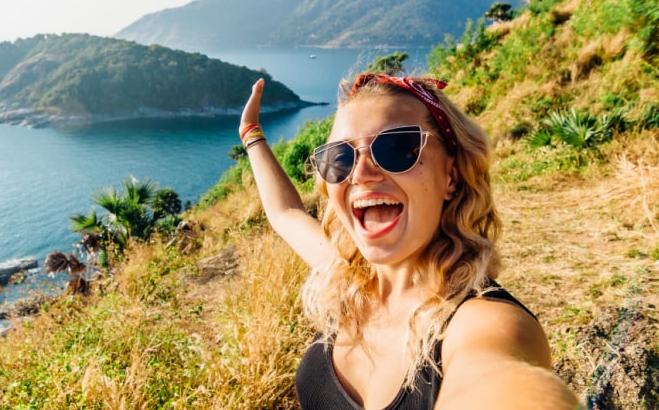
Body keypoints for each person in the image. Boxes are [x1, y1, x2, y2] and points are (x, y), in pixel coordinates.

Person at [239, 74, 580, 409]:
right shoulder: (346, 277)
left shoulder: (485, 323)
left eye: (396, 149)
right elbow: (286, 213)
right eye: (340, 158)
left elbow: (499, 381)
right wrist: (252, 134)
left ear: (451, 176)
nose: (360, 174)